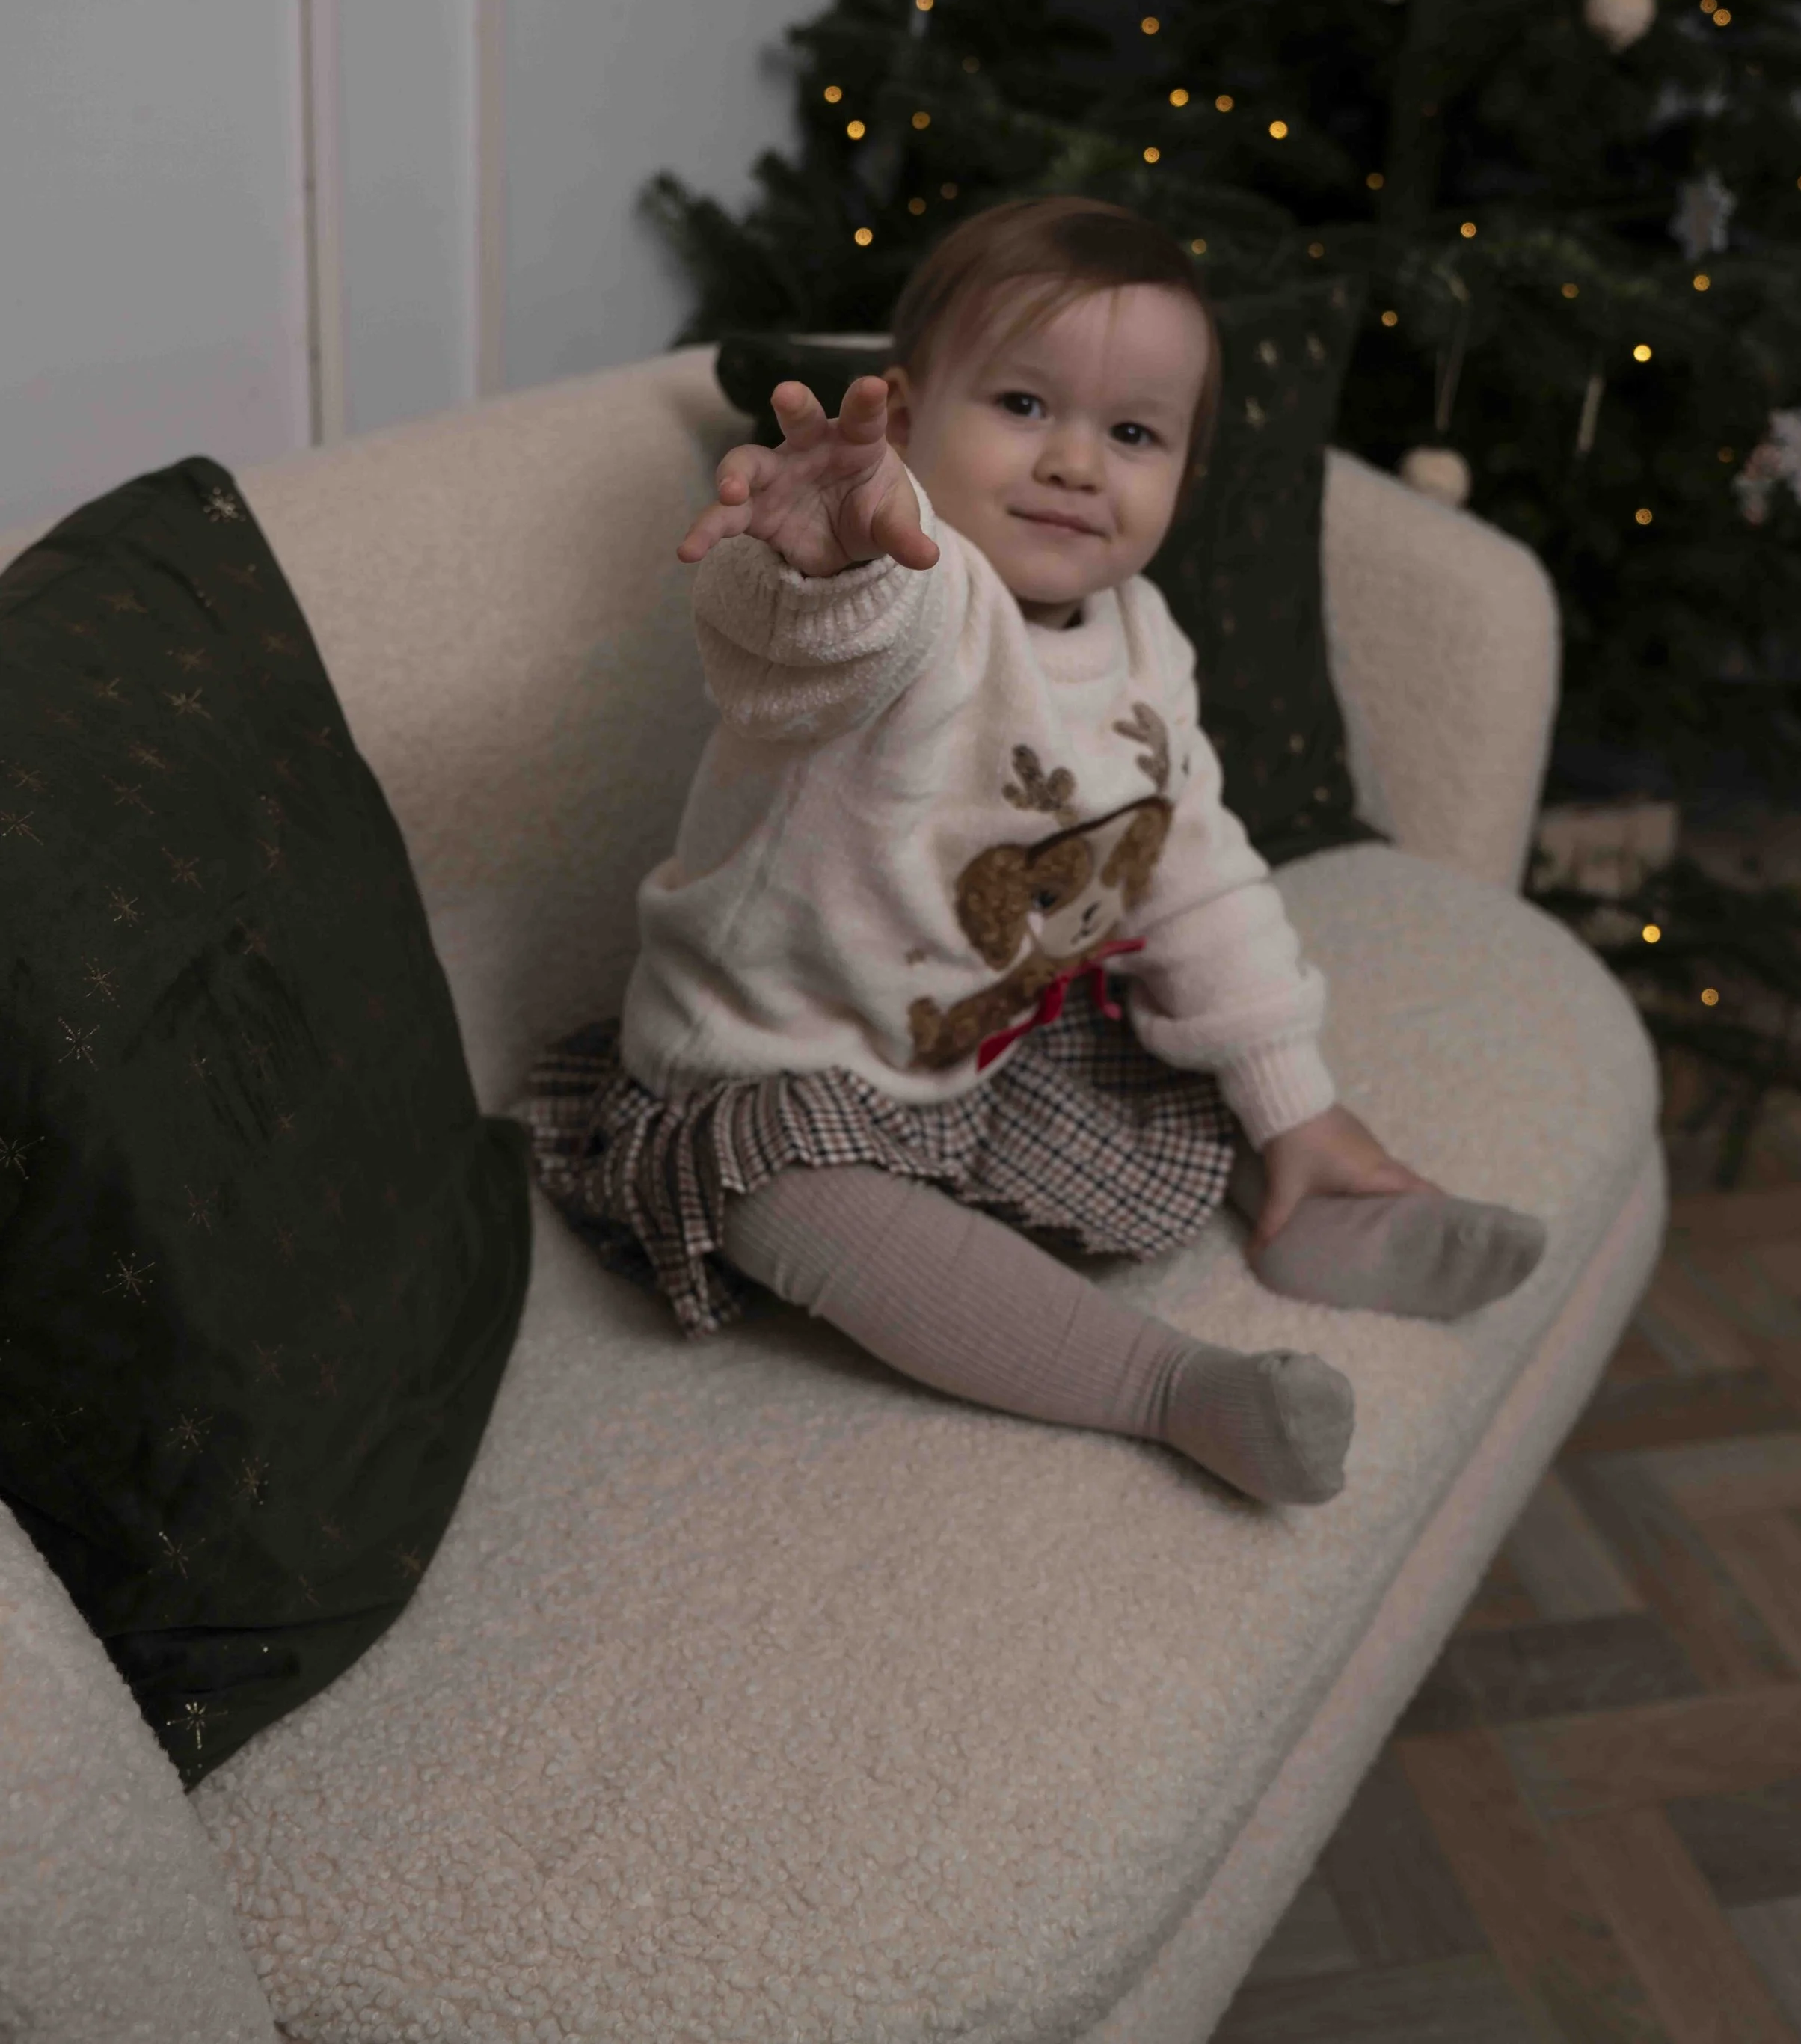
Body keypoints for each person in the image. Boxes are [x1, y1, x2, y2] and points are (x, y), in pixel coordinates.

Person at [523, 197, 1543, 1506]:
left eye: (1133, 434)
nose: (1074, 461)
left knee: (1167, 1024)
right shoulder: (912, 594)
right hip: (765, 1064)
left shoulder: (1145, 636)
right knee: (797, 1197)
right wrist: (832, 552)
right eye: (1021, 404)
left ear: (1185, 470)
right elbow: (794, 652)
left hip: (971, 1040)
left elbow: (1194, 870)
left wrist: (1295, 1099)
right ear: (904, 416)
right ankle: (1166, 1386)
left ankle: (1308, 1198)